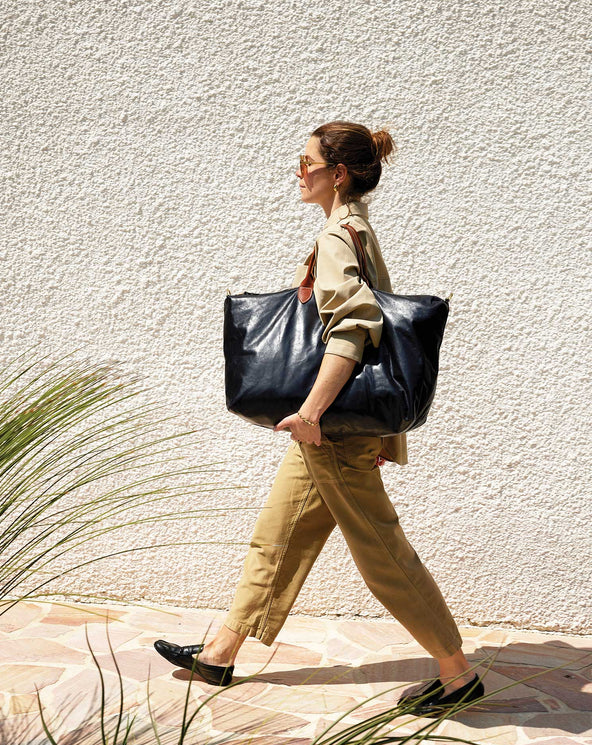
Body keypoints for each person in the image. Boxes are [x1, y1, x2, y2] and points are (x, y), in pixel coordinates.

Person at [155, 121, 484, 715]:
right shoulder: (352, 226)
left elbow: (356, 331)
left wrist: (308, 413)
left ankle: (458, 675)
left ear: (338, 173)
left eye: (306, 162)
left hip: (329, 431)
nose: (297, 170)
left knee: (384, 555)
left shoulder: (339, 234)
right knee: (278, 535)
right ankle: (221, 653)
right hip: (331, 431)